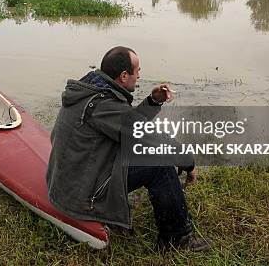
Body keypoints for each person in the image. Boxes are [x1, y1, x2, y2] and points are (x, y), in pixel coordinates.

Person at [46, 46, 211, 251]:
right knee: (160, 162)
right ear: (124, 75)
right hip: (82, 196)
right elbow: (149, 136)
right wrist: (188, 161)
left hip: (71, 182)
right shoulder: (103, 105)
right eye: (137, 71)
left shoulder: (91, 91)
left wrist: (152, 102)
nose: (140, 76)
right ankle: (177, 238)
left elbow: (129, 125)